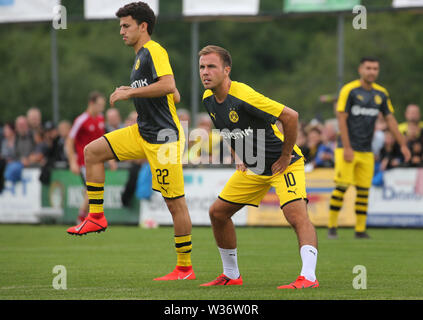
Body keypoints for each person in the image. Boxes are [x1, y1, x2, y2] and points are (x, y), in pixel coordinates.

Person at [67, 2, 195, 282]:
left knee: (175, 205)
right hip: (142, 131)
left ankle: (184, 268)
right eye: (120, 26)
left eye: (126, 26)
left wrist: (129, 94)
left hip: (164, 139)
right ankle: (97, 216)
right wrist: (140, 92)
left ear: (143, 26)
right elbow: (174, 96)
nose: (121, 31)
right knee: (93, 152)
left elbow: (168, 85)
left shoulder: (154, 50)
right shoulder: (139, 58)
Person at [198, 45, 318, 289]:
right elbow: (226, 129)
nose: (205, 72)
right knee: (217, 213)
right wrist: (238, 155)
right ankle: (231, 275)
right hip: (253, 168)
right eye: (202, 67)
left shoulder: (244, 96)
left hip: (283, 164)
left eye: (211, 66)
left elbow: (291, 117)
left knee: (296, 216)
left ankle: (309, 277)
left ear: (226, 70)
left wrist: (285, 156)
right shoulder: (208, 98)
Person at [328, 57, 411, 239]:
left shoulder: (381, 94)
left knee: (364, 191)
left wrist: (403, 145)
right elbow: (341, 118)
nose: (372, 71)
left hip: (367, 150)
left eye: (375, 68)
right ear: (361, 69)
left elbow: (390, 119)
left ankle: (360, 230)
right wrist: (347, 147)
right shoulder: (349, 90)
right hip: (346, 148)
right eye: (368, 68)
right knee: (342, 187)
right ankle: (332, 227)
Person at [65, 91, 115, 223]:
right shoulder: (81, 120)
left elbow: (103, 141)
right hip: (84, 162)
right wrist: (72, 161)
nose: (101, 108)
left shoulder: (100, 119)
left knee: (92, 190)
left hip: (97, 161)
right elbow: (69, 141)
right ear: (91, 103)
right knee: (91, 190)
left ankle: (87, 218)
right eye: (99, 105)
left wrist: (110, 159)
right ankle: (81, 218)